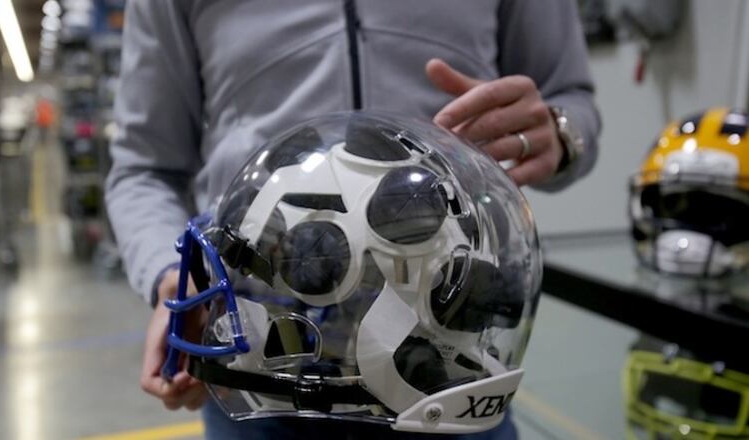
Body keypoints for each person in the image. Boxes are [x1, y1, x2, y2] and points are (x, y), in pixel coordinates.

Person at [105, 1, 601, 438]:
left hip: (450, 354)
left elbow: (572, 100)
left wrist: (560, 131)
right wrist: (169, 274)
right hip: (258, 357)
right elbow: (143, 168)